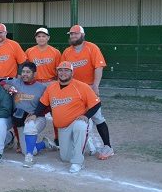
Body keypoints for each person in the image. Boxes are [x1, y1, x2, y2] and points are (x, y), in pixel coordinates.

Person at [33, 61, 101, 173]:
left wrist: (86, 116)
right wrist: (35, 114)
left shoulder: (81, 86)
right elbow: (43, 104)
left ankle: (78, 162)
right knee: (65, 158)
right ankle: (84, 140)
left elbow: (96, 103)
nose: (63, 72)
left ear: (72, 73)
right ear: (57, 72)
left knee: (80, 126)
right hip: (63, 127)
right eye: (60, 70)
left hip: (77, 122)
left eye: (66, 70)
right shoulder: (51, 87)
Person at [61, 25, 114, 160]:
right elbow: (64, 71)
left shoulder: (92, 48)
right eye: (71, 34)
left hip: (89, 87)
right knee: (75, 116)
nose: (73, 36)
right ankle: (83, 145)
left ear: (82, 35)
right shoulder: (67, 52)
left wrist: (95, 85)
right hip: (74, 89)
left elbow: (98, 67)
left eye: (76, 34)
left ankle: (108, 147)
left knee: (97, 117)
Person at [3, 62, 55, 167]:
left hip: (37, 119)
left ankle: (29, 157)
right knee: (24, 150)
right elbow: (1, 82)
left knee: (30, 127)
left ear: (34, 74)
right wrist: (6, 86)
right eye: (23, 72)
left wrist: (35, 114)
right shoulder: (16, 82)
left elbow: (48, 107)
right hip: (21, 120)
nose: (25, 74)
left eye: (28, 72)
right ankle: (44, 143)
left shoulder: (41, 88)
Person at [25, 27, 62, 146]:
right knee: (32, 110)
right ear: (35, 38)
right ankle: (29, 137)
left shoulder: (55, 52)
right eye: (39, 36)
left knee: (55, 111)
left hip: (50, 82)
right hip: (35, 84)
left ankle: (58, 138)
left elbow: (59, 71)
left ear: (48, 38)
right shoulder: (29, 51)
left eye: (43, 36)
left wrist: (57, 85)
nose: (41, 38)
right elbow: (27, 70)